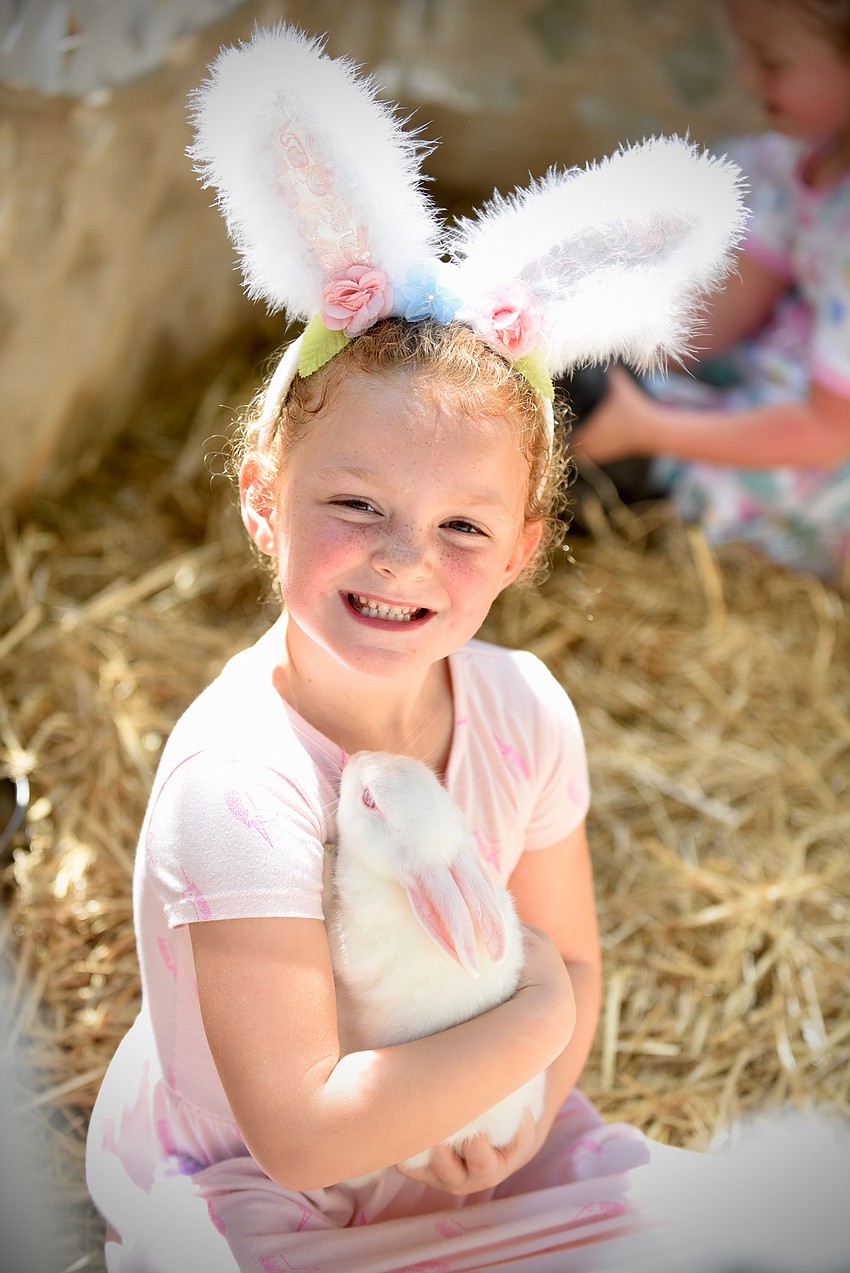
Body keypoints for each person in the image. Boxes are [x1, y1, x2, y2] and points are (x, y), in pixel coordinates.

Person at [84, 25, 746, 1272]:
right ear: (262, 499)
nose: (403, 560)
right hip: (277, 1191)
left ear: (520, 549)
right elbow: (299, 1132)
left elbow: (578, 952)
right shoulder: (239, 783)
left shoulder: (522, 713)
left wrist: (519, 1118)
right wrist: (536, 1012)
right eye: (356, 506)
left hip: (486, 1132)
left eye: (460, 528)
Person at [574, 0, 850, 582]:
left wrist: (647, 427)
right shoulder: (808, 155)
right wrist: (590, 333)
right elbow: (724, 314)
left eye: (771, 61)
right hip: (742, 393)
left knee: (588, 452)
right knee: (574, 374)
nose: (744, 77)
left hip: (792, 469)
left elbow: (827, 433)